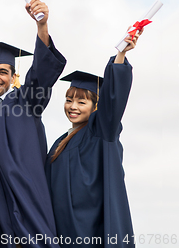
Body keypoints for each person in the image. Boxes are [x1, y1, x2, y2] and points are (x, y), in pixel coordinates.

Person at [0, 0, 66, 247]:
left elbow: (41, 76)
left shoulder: (25, 103)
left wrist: (41, 27)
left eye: (3, 72)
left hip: (27, 208)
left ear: (13, 77)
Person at [44, 30, 142, 248]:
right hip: (60, 232)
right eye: (69, 100)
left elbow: (113, 101)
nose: (73, 107)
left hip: (90, 232)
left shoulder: (100, 131)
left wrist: (120, 55)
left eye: (81, 102)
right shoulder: (60, 142)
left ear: (96, 106)